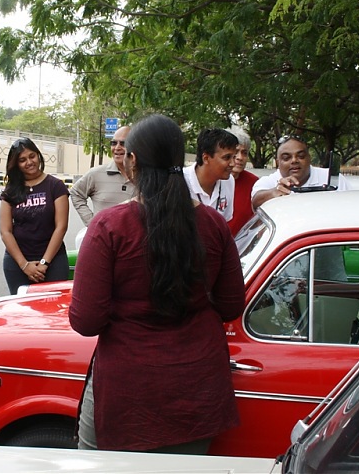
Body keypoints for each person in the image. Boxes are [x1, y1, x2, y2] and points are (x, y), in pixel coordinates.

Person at [69, 114, 245, 453]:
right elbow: (231, 305)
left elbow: (86, 321)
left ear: (132, 161)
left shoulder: (108, 227)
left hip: (128, 391)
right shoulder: (213, 224)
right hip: (198, 387)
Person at [0, 138, 70, 293]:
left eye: (32, 156)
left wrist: (45, 262)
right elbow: (5, 231)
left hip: (53, 261)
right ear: (16, 164)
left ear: (38, 155)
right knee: (23, 312)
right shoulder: (11, 191)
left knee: (52, 311)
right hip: (17, 263)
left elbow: (61, 227)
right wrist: (24, 265)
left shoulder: (55, 186)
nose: (29, 162)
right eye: (22, 160)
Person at [251, 134, 350, 210]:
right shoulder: (267, 182)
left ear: (309, 158)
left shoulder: (333, 179)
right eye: (286, 158)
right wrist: (274, 192)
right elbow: (255, 202)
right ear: (278, 163)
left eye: (301, 156)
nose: (294, 160)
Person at [69, 126, 135, 226]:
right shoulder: (95, 174)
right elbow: (76, 193)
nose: (117, 148)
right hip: (103, 239)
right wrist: (92, 223)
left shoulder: (146, 177)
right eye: (113, 143)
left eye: (123, 143)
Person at [183, 128, 238, 222]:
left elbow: (225, 223)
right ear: (206, 158)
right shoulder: (181, 181)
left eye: (234, 157)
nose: (233, 163)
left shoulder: (229, 181)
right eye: (227, 157)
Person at [226, 126, 259, 236]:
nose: (240, 157)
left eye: (244, 153)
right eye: (236, 151)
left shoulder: (254, 183)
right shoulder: (213, 180)